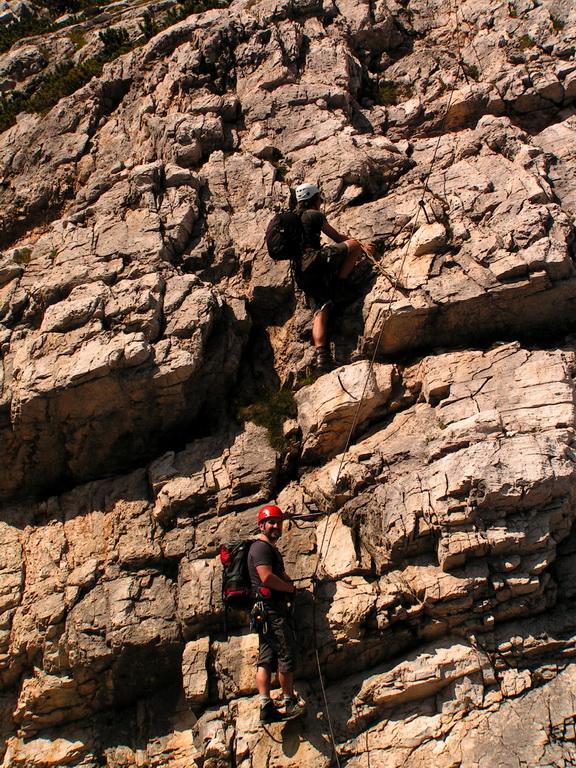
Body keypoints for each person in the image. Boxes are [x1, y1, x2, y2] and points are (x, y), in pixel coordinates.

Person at [294, 182, 375, 370]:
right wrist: (363, 247)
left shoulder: (293, 218)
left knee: (321, 309)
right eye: (319, 199)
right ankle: (340, 285)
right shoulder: (314, 214)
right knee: (354, 245)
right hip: (315, 259)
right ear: (315, 199)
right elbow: (337, 238)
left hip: (300, 270)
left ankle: (322, 356)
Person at [248, 504, 301, 724]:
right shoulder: (261, 548)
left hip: (263, 610)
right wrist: (290, 589)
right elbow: (266, 577)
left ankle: (265, 706)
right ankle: (288, 703)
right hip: (270, 610)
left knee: (266, 658)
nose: (276, 526)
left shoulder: (269, 549)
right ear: (262, 525)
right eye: (271, 522)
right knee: (286, 653)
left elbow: (277, 575)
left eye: (278, 522)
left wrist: (289, 582)